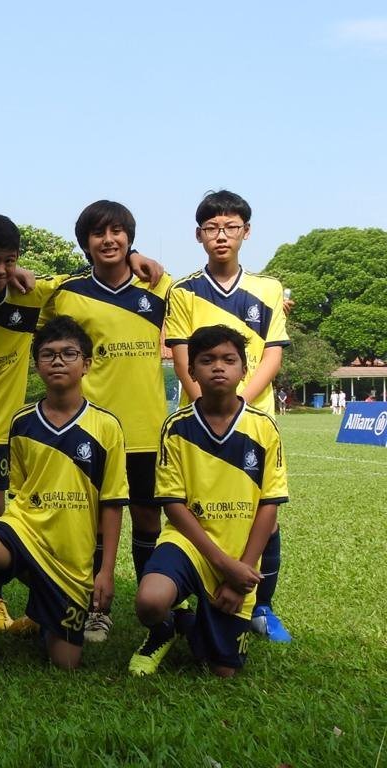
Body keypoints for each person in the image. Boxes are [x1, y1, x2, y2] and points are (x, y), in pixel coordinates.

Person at [0, 212, 162, 632]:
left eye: (9, 261)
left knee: (7, 519)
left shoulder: (33, 293)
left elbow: (90, 274)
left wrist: (132, 254)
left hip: (3, 432)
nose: (0, 270)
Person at [0, 317, 127, 696]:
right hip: (25, 530)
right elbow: (19, 489)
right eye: (48, 354)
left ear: (86, 364)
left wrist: (105, 571)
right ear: (37, 364)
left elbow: (112, 502)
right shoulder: (22, 421)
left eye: (69, 353)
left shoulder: (107, 426)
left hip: (70, 557)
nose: (57, 361)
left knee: (66, 661)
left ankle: (41, 614)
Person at [40, 201, 171, 644]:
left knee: (148, 517)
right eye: (99, 233)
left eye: (118, 232)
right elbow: (30, 304)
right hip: (92, 430)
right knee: (95, 520)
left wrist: (138, 259)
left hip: (146, 427)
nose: (109, 240)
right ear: (85, 243)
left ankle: (150, 604)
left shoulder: (159, 285)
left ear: (130, 238)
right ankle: (97, 608)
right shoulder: (67, 292)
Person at [165, 190, 292, 643]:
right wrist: (209, 402)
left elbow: (273, 353)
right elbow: (182, 356)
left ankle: (263, 607)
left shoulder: (269, 289)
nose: (222, 235)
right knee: (196, 510)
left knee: (264, 515)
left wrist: (240, 401)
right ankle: (187, 599)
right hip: (199, 421)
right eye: (212, 228)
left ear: (246, 232)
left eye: (231, 227)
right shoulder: (183, 291)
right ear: (199, 235)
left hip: (254, 418)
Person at [130, 325, 289, 677]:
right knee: (150, 601)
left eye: (228, 359)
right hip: (189, 544)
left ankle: (193, 623)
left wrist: (240, 571)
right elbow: (173, 505)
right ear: (191, 371)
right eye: (207, 360)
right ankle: (166, 625)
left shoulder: (263, 427)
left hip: (239, 551)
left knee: (221, 671)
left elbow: (270, 504)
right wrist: (222, 564)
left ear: (243, 369)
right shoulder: (176, 427)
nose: (218, 366)